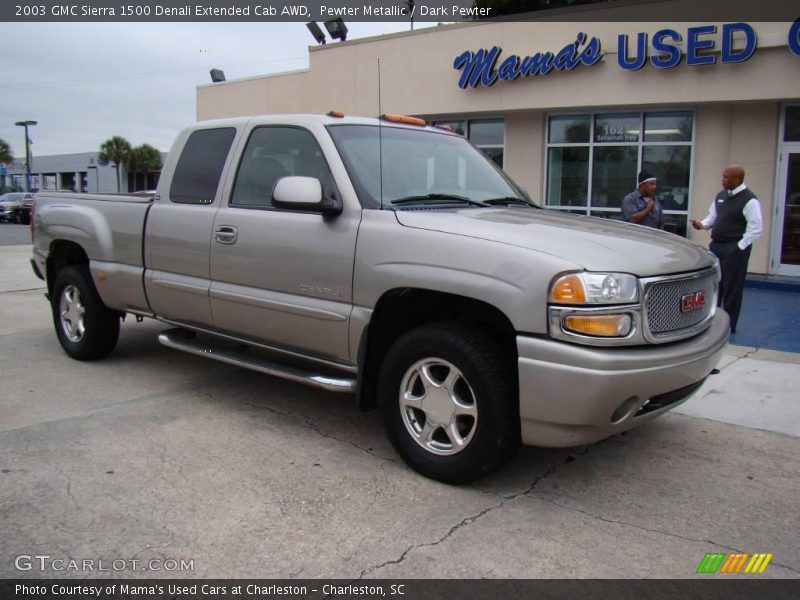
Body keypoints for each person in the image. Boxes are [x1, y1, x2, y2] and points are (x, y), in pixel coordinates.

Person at [691, 165, 763, 334]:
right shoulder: (721, 196)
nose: (723, 180)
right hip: (717, 246)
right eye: (723, 177)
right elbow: (713, 217)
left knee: (732, 287)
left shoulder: (749, 200)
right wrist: (702, 224)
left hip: (735, 249)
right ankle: (711, 321)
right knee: (715, 284)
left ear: (737, 179)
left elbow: (756, 228)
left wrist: (739, 247)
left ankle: (729, 326)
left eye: (726, 177)